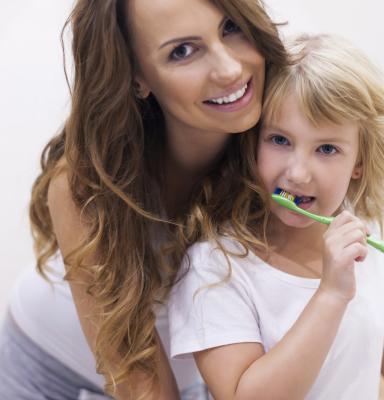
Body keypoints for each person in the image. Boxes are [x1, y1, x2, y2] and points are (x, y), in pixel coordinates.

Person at [0, 0, 288, 399]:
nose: (229, 69)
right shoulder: (85, 184)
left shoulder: (288, 155)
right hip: (43, 374)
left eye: (231, 28)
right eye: (183, 51)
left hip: (186, 382)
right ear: (137, 77)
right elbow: (134, 371)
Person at [168, 34, 384, 399]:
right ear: (252, 144)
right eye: (280, 140)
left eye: (327, 148)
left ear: (358, 162)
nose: (298, 173)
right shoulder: (215, 268)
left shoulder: (366, 239)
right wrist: (330, 295)